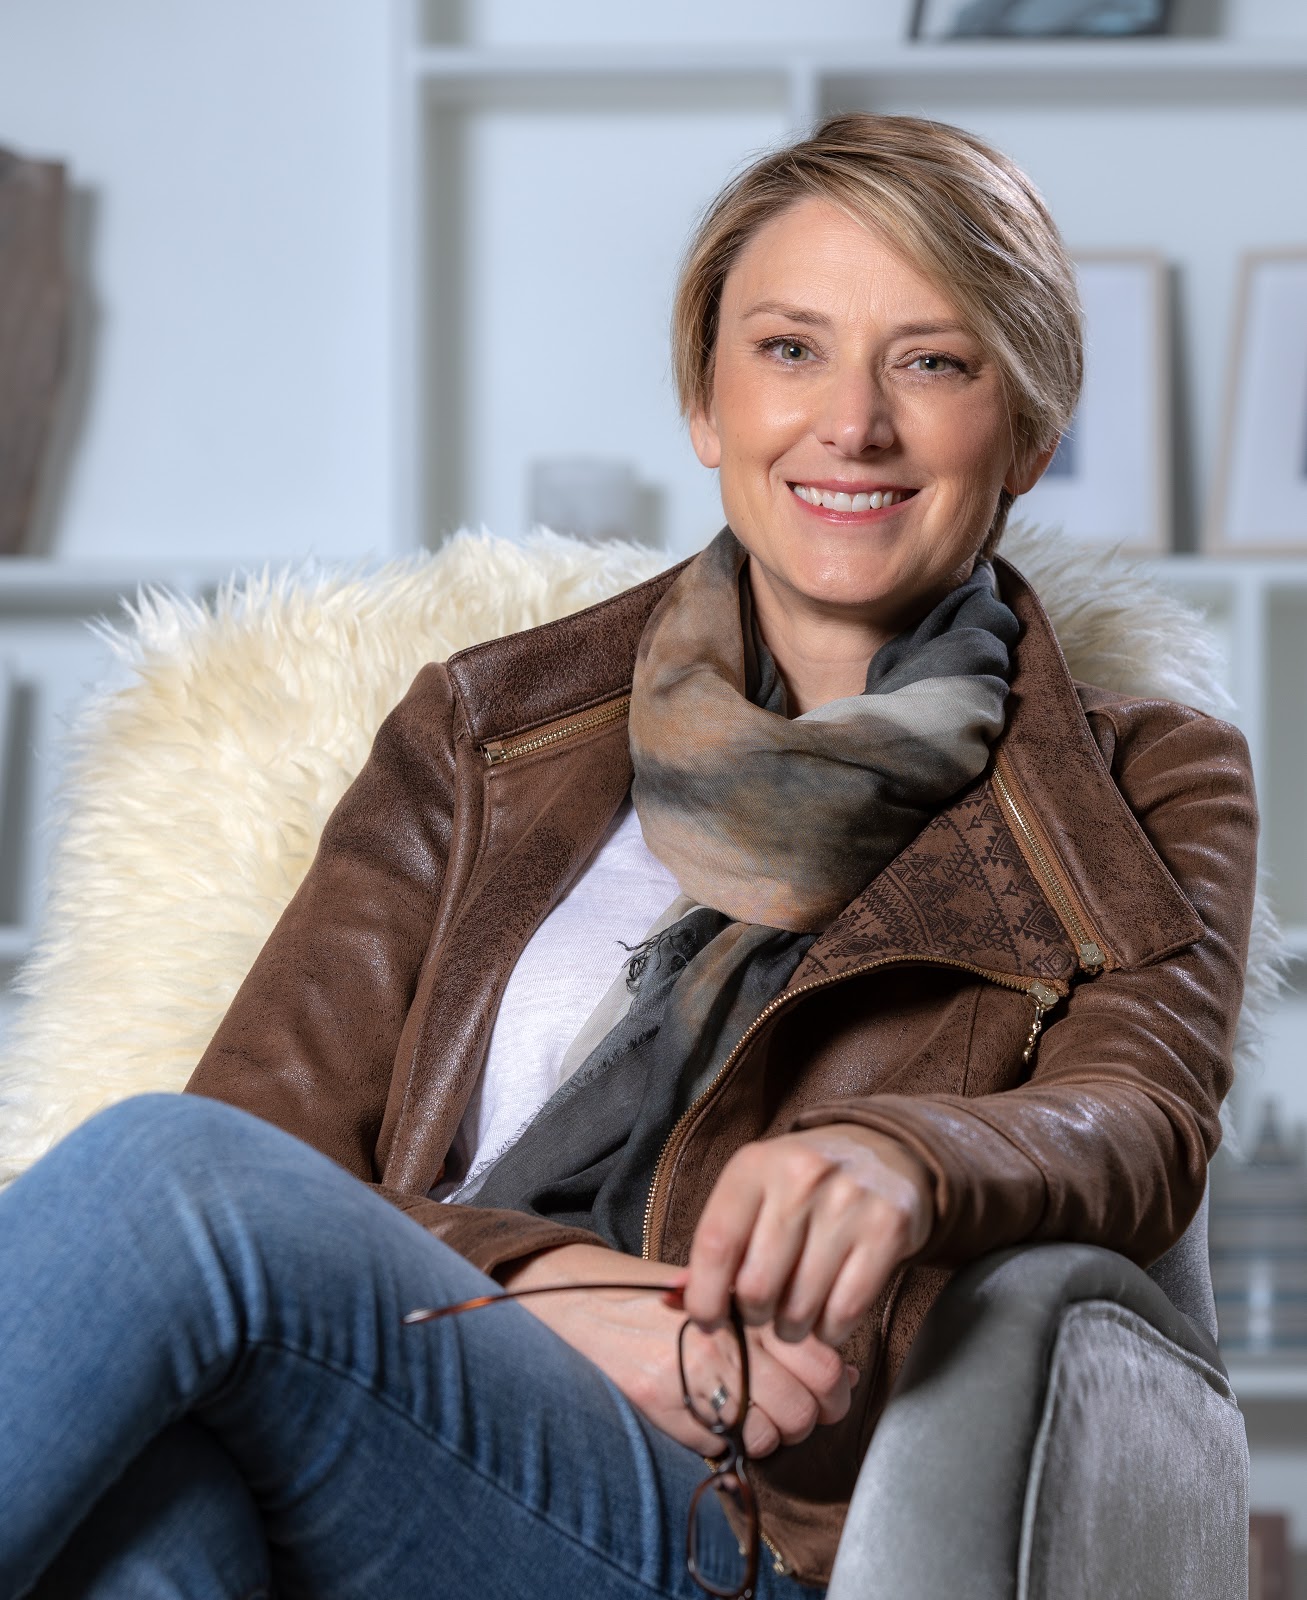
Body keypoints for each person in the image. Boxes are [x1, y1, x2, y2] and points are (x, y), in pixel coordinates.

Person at [0, 113, 1256, 1600]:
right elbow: (270, 1157)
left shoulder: (1140, 777)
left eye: (932, 362)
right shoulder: (488, 731)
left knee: (159, 1174)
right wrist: (541, 1289)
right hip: (406, 1425)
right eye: (789, 350)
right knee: (162, 1516)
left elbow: (1140, 1115)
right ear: (705, 402)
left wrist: (905, 1156)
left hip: (728, 1516)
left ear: (1032, 434)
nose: (851, 423)